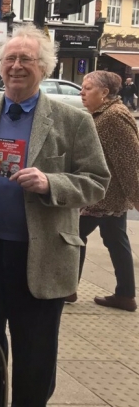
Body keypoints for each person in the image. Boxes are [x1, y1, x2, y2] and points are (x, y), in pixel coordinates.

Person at [0, 23, 110, 407]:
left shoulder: (73, 120)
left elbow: (97, 182)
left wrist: (50, 183)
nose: (17, 66)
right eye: (10, 59)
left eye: (27, 59)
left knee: (35, 352)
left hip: (42, 255)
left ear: (45, 67)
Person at [67, 71, 139, 311]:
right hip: (107, 193)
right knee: (115, 239)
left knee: (74, 234)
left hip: (106, 196)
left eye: (87, 88)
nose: (82, 92)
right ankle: (126, 294)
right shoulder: (102, 114)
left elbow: (130, 161)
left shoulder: (114, 117)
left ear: (105, 93)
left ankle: (68, 289)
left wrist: (136, 196)